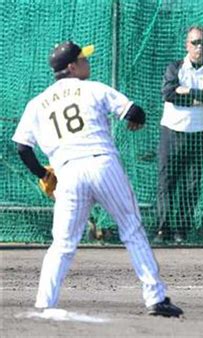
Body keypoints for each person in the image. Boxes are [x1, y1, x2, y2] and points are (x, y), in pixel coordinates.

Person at [12, 41, 183, 316]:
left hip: (67, 173)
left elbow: (22, 147)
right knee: (132, 229)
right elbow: (136, 112)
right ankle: (156, 298)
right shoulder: (94, 89)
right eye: (83, 58)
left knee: (62, 244)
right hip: (103, 165)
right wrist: (135, 120)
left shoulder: (37, 103)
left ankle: (45, 303)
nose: (87, 62)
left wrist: (43, 174)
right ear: (71, 67)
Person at [158, 25, 203, 242]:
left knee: (192, 184)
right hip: (172, 132)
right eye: (195, 42)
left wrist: (188, 92)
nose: (199, 47)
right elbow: (168, 94)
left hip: (199, 134)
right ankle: (162, 229)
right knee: (167, 182)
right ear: (187, 45)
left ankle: (181, 231)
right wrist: (199, 98)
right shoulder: (175, 67)